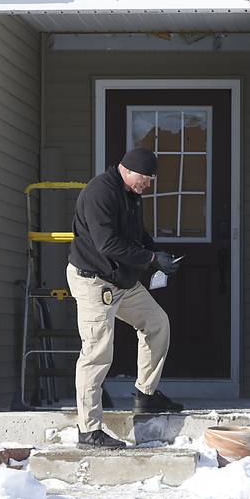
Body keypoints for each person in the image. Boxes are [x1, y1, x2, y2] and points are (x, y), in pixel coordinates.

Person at [67, 147, 183, 449]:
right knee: (97, 353)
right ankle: (88, 430)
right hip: (94, 281)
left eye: (151, 180)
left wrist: (157, 252)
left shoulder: (131, 193)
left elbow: (137, 234)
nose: (148, 185)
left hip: (121, 281)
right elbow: (108, 244)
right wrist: (151, 259)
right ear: (126, 170)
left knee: (157, 323)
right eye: (145, 178)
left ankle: (145, 395)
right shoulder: (100, 193)